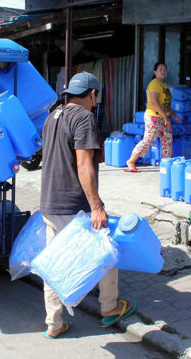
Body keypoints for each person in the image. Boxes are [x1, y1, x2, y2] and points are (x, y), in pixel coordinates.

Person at [39, 71, 135, 339]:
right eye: (96, 97)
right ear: (93, 94)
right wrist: (96, 206)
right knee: (106, 251)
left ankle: (54, 322)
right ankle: (110, 307)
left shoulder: (52, 116)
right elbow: (83, 164)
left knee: (53, 264)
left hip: (49, 202)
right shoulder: (84, 117)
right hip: (73, 205)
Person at [125, 62, 180, 172]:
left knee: (167, 142)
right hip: (154, 117)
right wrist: (166, 117)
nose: (163, 71)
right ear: (155, 72)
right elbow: (155, 102)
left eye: (165, 69)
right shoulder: (154, 84)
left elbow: (165, 104)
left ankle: (166, 165)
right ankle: (131, 161)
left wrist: (174, 115)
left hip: (164, 117)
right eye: (160, 69)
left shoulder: (164, 85)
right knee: (148, 140)